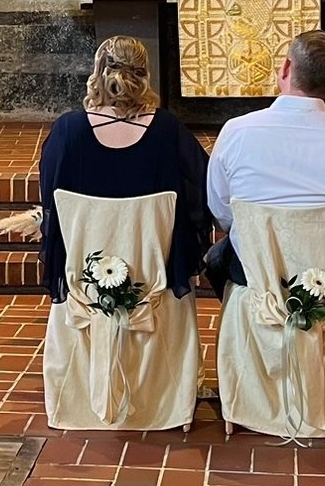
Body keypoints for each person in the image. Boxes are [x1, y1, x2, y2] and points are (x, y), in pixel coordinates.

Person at [204, 30, 325, 298]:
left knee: (220, 256)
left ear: (286, 68)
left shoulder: (236, 132)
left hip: (257, 276)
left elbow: (223, 211)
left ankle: (247, 324)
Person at [38, 37, 212, 301]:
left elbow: (53, 204)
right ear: (144, 74)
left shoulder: (67, 132)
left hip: (85, 282)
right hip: (156, 282)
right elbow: (200, 199)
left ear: (97, 73)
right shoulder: (169, 131)